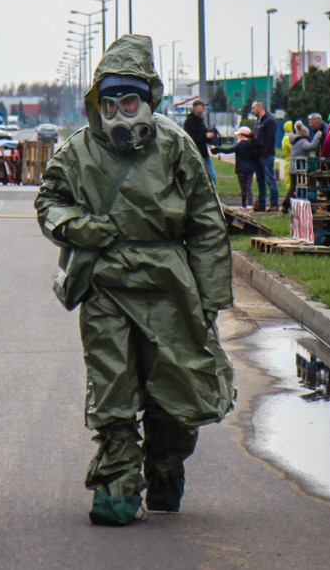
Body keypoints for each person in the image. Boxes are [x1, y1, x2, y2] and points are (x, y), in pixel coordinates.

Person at [35, 35, 235, 527]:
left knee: (178, 395)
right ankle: (117, 487)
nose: (120, 114)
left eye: (130, 102)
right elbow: (49, 202)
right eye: (110, 104)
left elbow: (206, 224)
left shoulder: (175, 146)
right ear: (96, 106)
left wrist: (209, 300)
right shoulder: (78, 150)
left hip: (170, 288)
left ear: (149, 101)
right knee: (113, 392)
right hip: (106, 286)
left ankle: (166, 467)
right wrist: (83, 228)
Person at [281, 120, 323, 212]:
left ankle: (286, 204)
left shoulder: (296, 141)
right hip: (297, 168)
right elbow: (312, 146)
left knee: (293, 187)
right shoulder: (302, 142)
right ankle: (286, 204)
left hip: (293, 167)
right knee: (294, 187)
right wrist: (317, 136)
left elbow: (304, 154)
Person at [212, 125, 256, 210]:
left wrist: (217, 148)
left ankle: (244, 205)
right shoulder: (253, 144)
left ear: (242, 136)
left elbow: (228, 151)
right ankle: (250, 205)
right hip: (250, 169)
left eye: (239, 135)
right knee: (248, 187)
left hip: (241, 170)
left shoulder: (239, 145)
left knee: (243, 188)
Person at [250, 100, 279, 211]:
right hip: (258, 155)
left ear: (260, 107)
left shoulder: (269, 121)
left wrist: (265, 152)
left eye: (253, 108)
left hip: (266, 155)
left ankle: (274, 203)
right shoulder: (258, 122)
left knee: (270, 179)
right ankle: (261, 203)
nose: (252, 111)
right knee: (260, 180)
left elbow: (271, 138)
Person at [183, 97, 216, 185]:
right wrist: (205, 136)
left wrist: (210, 137)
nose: (204, 108)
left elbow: (203, 136)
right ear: (196, 107)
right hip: (194, 154)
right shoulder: (190, 121)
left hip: (204, 153)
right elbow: (190, 138)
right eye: (202, 106)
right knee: (198, 179)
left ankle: (211, 196)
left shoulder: (201, 120)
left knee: (212, 178)